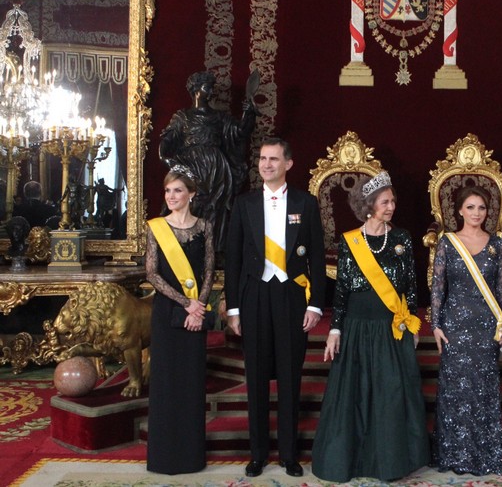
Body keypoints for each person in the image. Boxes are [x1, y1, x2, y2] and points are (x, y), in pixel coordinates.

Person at [312, 171, 429, 483]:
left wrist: (412, 325)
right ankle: (354, 461)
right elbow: (341, 292)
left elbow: (411, 286)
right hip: (358, 327)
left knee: (390, 394)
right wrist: (335, 330)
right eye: (384, 202)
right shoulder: (350, 240)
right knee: (356, 395)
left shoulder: (401, 237)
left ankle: (389, 463)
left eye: (392, 201)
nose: (391, 206)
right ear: (368, 205)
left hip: (391, 324)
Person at [224, 137, 325, 478]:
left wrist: (315, 306)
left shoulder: (305, 203)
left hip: (292, 296)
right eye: (263, 159)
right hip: (254, 295)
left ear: (288, 163)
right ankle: (257, 454)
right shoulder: (244, 204)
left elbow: (316, 258)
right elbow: (234, 259)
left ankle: (288, 454)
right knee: (255, 377)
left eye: (274, 159)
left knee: (289, 376)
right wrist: (234, 309)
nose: (266, 164)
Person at [429, 185, 502, 475]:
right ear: (460, 210)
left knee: (482, 392)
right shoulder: (447, 243)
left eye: (481, 207)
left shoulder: (497, 245)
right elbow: (438, 286)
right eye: (471, 207)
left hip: (486, 327)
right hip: (455, 325)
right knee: (455, 391)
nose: (476, 213)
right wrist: (436, 325)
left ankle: (483, 457)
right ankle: (453, 456)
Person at [145, 166, 215, 474]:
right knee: (166, 383)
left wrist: (199, 306)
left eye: (177, 191)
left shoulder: (205, 227)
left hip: (195, 315)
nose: (171, 196)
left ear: (191, 195)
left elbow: (210, 270)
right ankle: (164, 457)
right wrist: (187, 303)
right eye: (168, 191)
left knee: (191, 383)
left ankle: (190, 456)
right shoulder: (157, 227)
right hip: (167, 313)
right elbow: (152, 273)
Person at [159, 71, 257, 255]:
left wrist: (248, 113)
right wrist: (165, 158)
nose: (211, 92)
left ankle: (214, 250)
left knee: (217, 209)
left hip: (216, 169)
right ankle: (186, 248)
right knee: (191, 203)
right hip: (191, 166)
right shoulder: (183, 116)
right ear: (196, 90)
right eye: (207, 87)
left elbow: (241, 132)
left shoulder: (219, 117)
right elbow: (167, 140)